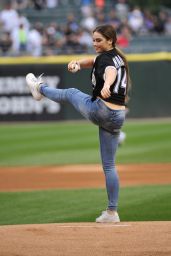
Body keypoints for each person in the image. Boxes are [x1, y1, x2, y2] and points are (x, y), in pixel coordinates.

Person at [26, 24, 130, 223]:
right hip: (118, 116)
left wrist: (107, 85)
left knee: (71, 93)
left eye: (99, 40)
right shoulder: (117, 56)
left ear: (110, 40)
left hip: (103, 110)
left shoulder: (107, 59)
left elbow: (109, 72)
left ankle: (39, 88)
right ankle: (111, 213)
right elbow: (93, 61)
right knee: (109, 166)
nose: (94, 43)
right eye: (93, 40)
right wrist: (77, 63)